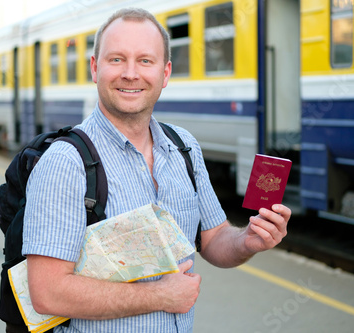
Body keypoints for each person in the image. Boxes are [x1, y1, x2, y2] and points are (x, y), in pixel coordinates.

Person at [18, 7, 291, 333]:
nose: (131, 73)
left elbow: (214, 238)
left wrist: (248, 240)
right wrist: (159, 296)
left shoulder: (184, 148)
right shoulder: (65, 163)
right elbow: (48, 294)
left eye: (145, 61)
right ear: (95, 68)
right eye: (116, 59)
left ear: (165, 73)